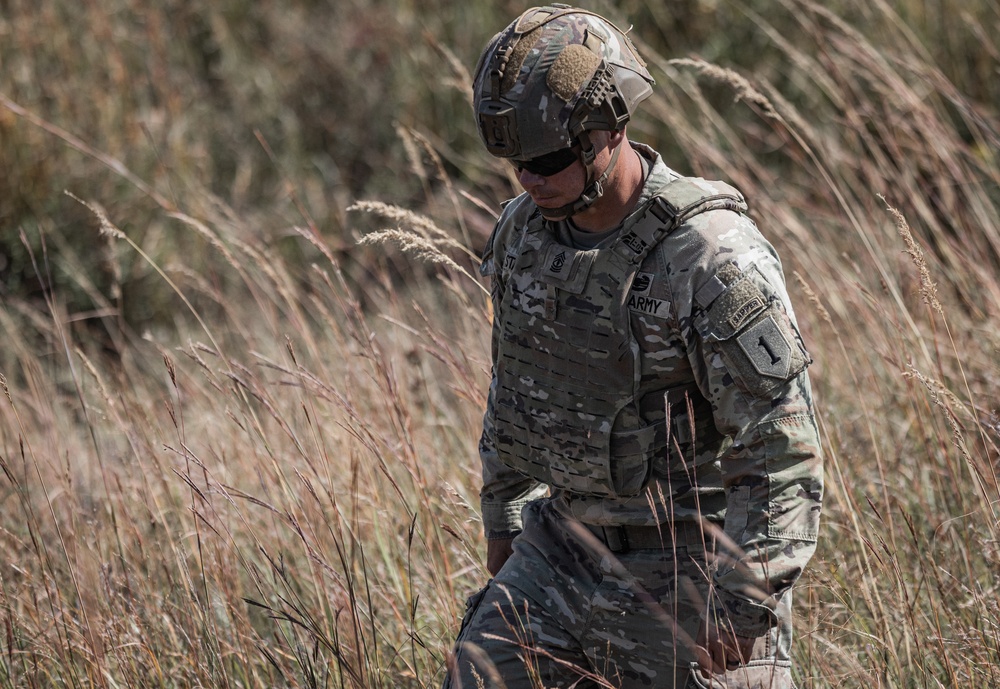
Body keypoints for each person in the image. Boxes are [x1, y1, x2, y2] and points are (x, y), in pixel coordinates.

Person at [443, 6, 823, 688]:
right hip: (562, 548)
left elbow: (780, 441)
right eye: (515, 162)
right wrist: (505, 512)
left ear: (612, 127)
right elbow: (517, 383)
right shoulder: (523, 234)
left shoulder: (710, 258)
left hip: (689, 564)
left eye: (550, 159)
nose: (530, 179)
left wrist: (744, 601)